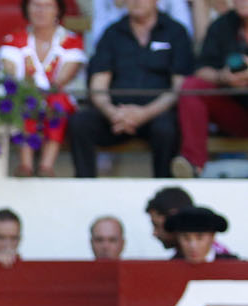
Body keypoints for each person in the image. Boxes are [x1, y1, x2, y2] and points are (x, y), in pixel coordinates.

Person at [69, 0, 193, 179]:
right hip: (116, 116)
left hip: (158, 113)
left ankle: (164, 187)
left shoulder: (175, 32)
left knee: (167, 129)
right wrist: (112, 112)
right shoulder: (112, 33)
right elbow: (98, 84)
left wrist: (144, 113)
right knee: (80, 123)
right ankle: (84, 185)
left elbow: (179, 87)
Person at [0, 0, 85, 178]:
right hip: (26, 96)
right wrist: (32, 93)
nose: (41, 11)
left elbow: (64, 76)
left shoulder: (71, 40)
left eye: (48, 6)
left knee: (57, 101)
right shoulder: (14, 39)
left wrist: (42, 92)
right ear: (27, 9)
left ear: (58, 10)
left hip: (57, 98)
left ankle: (46, 165)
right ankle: (25, 165)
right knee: (24, 100)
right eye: (36, 5)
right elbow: (11, 73)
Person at [170, 0, 248, 179]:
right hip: (235, 114)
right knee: (192, 86)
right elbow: (201, 69)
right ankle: (193, 165)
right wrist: (223, 77)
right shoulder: (222, 25)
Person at [165, 206, 238, 263]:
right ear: (178, 238)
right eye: (186, 238)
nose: (193, 246)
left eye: (200, 238)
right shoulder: (169, 267)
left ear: (212, 237)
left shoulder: (233, 264)